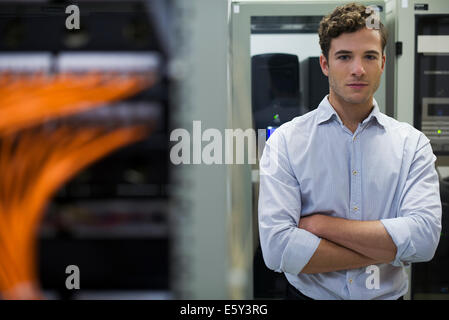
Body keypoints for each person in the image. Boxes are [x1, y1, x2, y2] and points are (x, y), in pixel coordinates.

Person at [258, 2, 442, 300]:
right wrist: (386, 250)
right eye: (344, 57)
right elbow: (279, 250)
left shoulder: (412, 144)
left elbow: (423, 240)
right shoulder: (286, 142)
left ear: (383, 62)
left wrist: (321, 226)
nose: (358, 69)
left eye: (369, 56)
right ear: (325, 64)